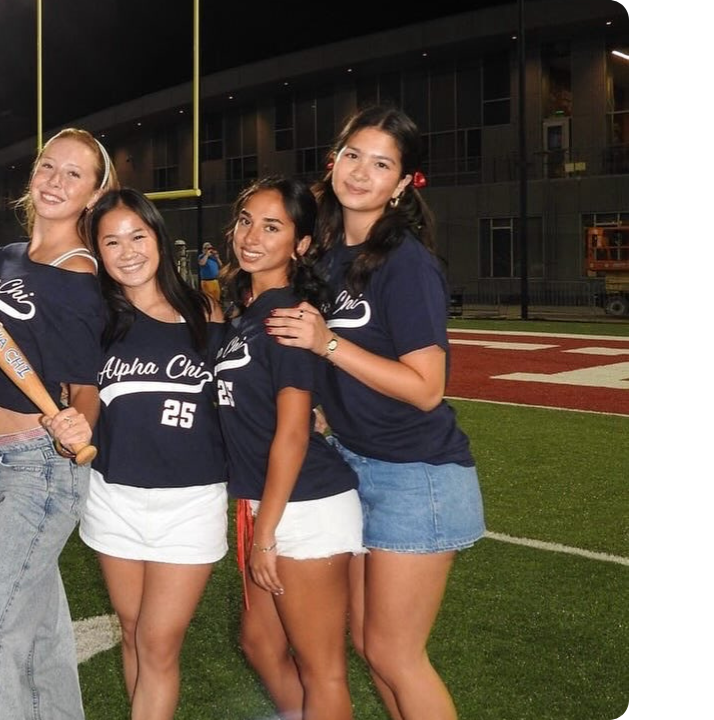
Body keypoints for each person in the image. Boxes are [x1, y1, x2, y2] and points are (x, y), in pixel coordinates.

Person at [264, 105, 485, 720]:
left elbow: (425, 388)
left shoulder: (405, 263)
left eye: (382, 163)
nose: (362, 173)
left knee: (396, 654)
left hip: (418, 475)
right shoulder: (330, 255)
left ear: (404, 183)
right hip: (361, 465)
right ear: (334, 160)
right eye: (354, 155)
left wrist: (328, 344)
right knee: (370, 646)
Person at [0, 127, 119, 720]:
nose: (55, 181)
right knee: (42, 630)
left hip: (38, 468)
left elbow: (85, 388)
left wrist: (80, 425)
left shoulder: (79, 276)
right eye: (49, 166)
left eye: (74, 174)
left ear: (95, 193)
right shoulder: (7, 257)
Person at [214, 176, 364, 720]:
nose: (251, 235)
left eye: (272, 226)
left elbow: (295, 431)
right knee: (259, 642)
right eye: (246, 219)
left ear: (300, 245)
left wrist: (266, 535)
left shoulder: (289, 315)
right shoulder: (250, 315)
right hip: (270, 501)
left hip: (305, 505)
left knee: (321, 668)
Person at [80, 188, 226, 720]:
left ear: (159, 238)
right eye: (111, 240)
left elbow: (241, 397)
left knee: (159, 643)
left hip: (191, 501)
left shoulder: (205, 312)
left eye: (137, 235)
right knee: (133, 631)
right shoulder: (94, 319)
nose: (128, 251)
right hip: (113, 496)